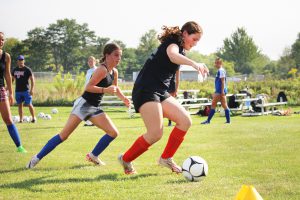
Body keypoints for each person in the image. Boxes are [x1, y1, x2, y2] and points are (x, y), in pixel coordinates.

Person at [118, 21, 209, 175]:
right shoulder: (172, 43)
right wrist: (194, 64)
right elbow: (173, 56)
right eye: (194, 39)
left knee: (185, 120)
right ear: (185, 34)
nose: (195, 44)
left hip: (160, 91)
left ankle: (166, 158)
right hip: (146, 89)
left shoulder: (181, 50)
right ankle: (125, 159)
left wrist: (174, 89)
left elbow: (173, 68)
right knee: (155, 133)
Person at [26, 43, 131, 168]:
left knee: (113, 132)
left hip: (94, 107)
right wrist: (104, 90)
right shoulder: (101, 70)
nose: (119, 58)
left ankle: (93, 156)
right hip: (84, 105)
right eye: (116, 55)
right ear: (107, 55)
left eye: (120, 56)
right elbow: (89, 87)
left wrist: (124, 98)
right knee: (64, 135)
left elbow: (115, 88)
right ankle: (35, 159)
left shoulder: (114, 71)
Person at [0, 32, 27, 153]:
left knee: (8, 119)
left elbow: (7, 74)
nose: (1, 41)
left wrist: (10, 93)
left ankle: (19, 147)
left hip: (1, 89)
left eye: (2, 39)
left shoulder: (6, 56)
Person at [201, 58, 230, 124]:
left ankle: (208, 121)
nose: (215, 64)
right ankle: (228, 121)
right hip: (220, 91)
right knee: (225, 106)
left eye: (217, 63)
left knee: (213, 105)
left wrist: (222, 91)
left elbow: (223, 82)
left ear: (220, 63)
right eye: (215, 63)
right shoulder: (220, 71)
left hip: (220, 91)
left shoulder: (221, 71)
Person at [11, 55, 36, 123]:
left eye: (22, 60)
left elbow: (32, 80)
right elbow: (12, 80)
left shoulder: (27, 69)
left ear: (24, 61)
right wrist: (8, 88)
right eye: (19, 60)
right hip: (18, 91)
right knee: (19, 105)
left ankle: (33, 118)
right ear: (17, 61)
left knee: (29, 104)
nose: (21, 61)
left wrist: (32, 89)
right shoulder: (14, 70)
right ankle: (21, 119)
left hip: (26, 90)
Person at [84, 56, 97, 126]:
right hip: (87, 90)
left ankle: (90, 122)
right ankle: (89, 122)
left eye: (92, 61)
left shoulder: (97, 70)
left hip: (93, 90)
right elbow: (86, 81)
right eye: (89, 61)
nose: (90, 63)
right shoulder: (88, 71)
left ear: (95, 62)